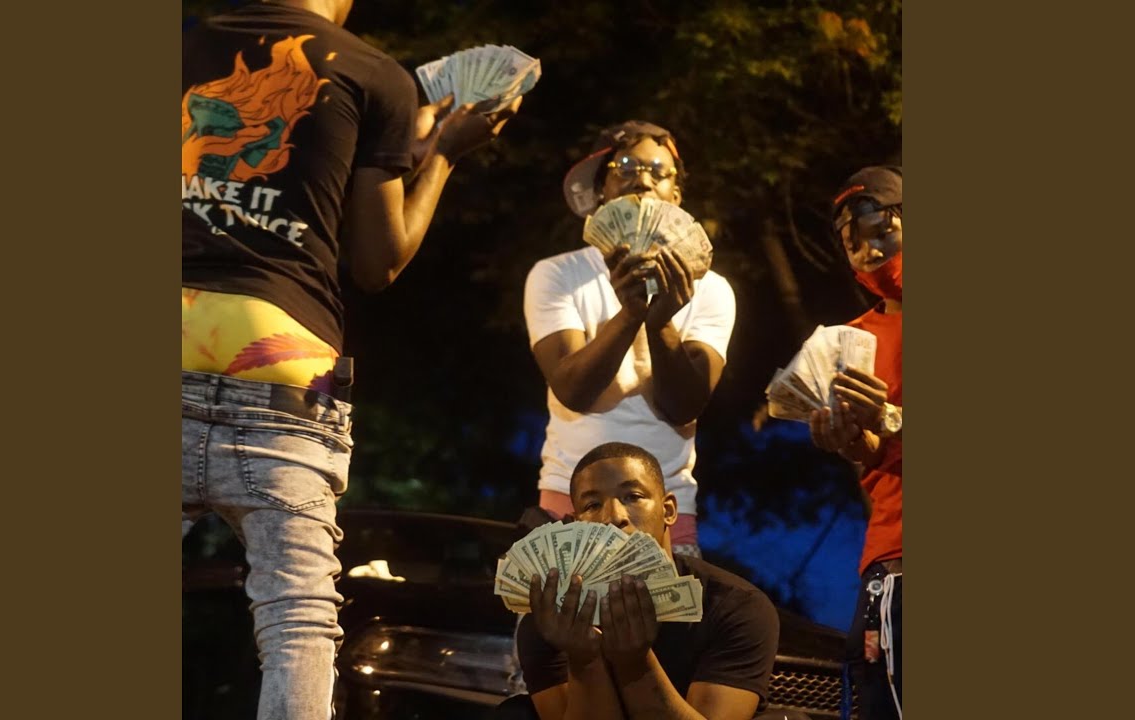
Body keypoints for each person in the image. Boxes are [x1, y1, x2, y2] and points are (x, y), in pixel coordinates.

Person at [180, 2, 519, 718]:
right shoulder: (375, 75)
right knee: (296, 617)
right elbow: (377, 261)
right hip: (282, 361)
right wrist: (444, 155)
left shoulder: (184, 42)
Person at [522, 121, 736, 558]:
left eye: (659, 172)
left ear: (676, 196)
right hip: (570, 501)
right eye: (625, 167)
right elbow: (572, 389)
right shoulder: (558, 274)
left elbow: (684, 405)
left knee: (666, 606)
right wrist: (631, 314)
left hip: (666, 507)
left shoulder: (711, 289)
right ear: (601, 191)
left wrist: (659, 323)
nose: (643, 179)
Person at [515, 441, 780, 719]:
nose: (613, 517)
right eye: (592, 505)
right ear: (575, 524)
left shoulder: (735, 607)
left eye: (633, 497)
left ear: (669, 510)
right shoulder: (551, 620)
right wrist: (585, 661)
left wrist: (636, 663)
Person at [808, 166, 903, 719]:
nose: (871, 252)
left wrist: (889, 419)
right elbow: (876, 452)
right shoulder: (854, 341)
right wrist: (850, 440)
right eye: (854, 244)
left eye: (882, 231)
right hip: (896, 557)